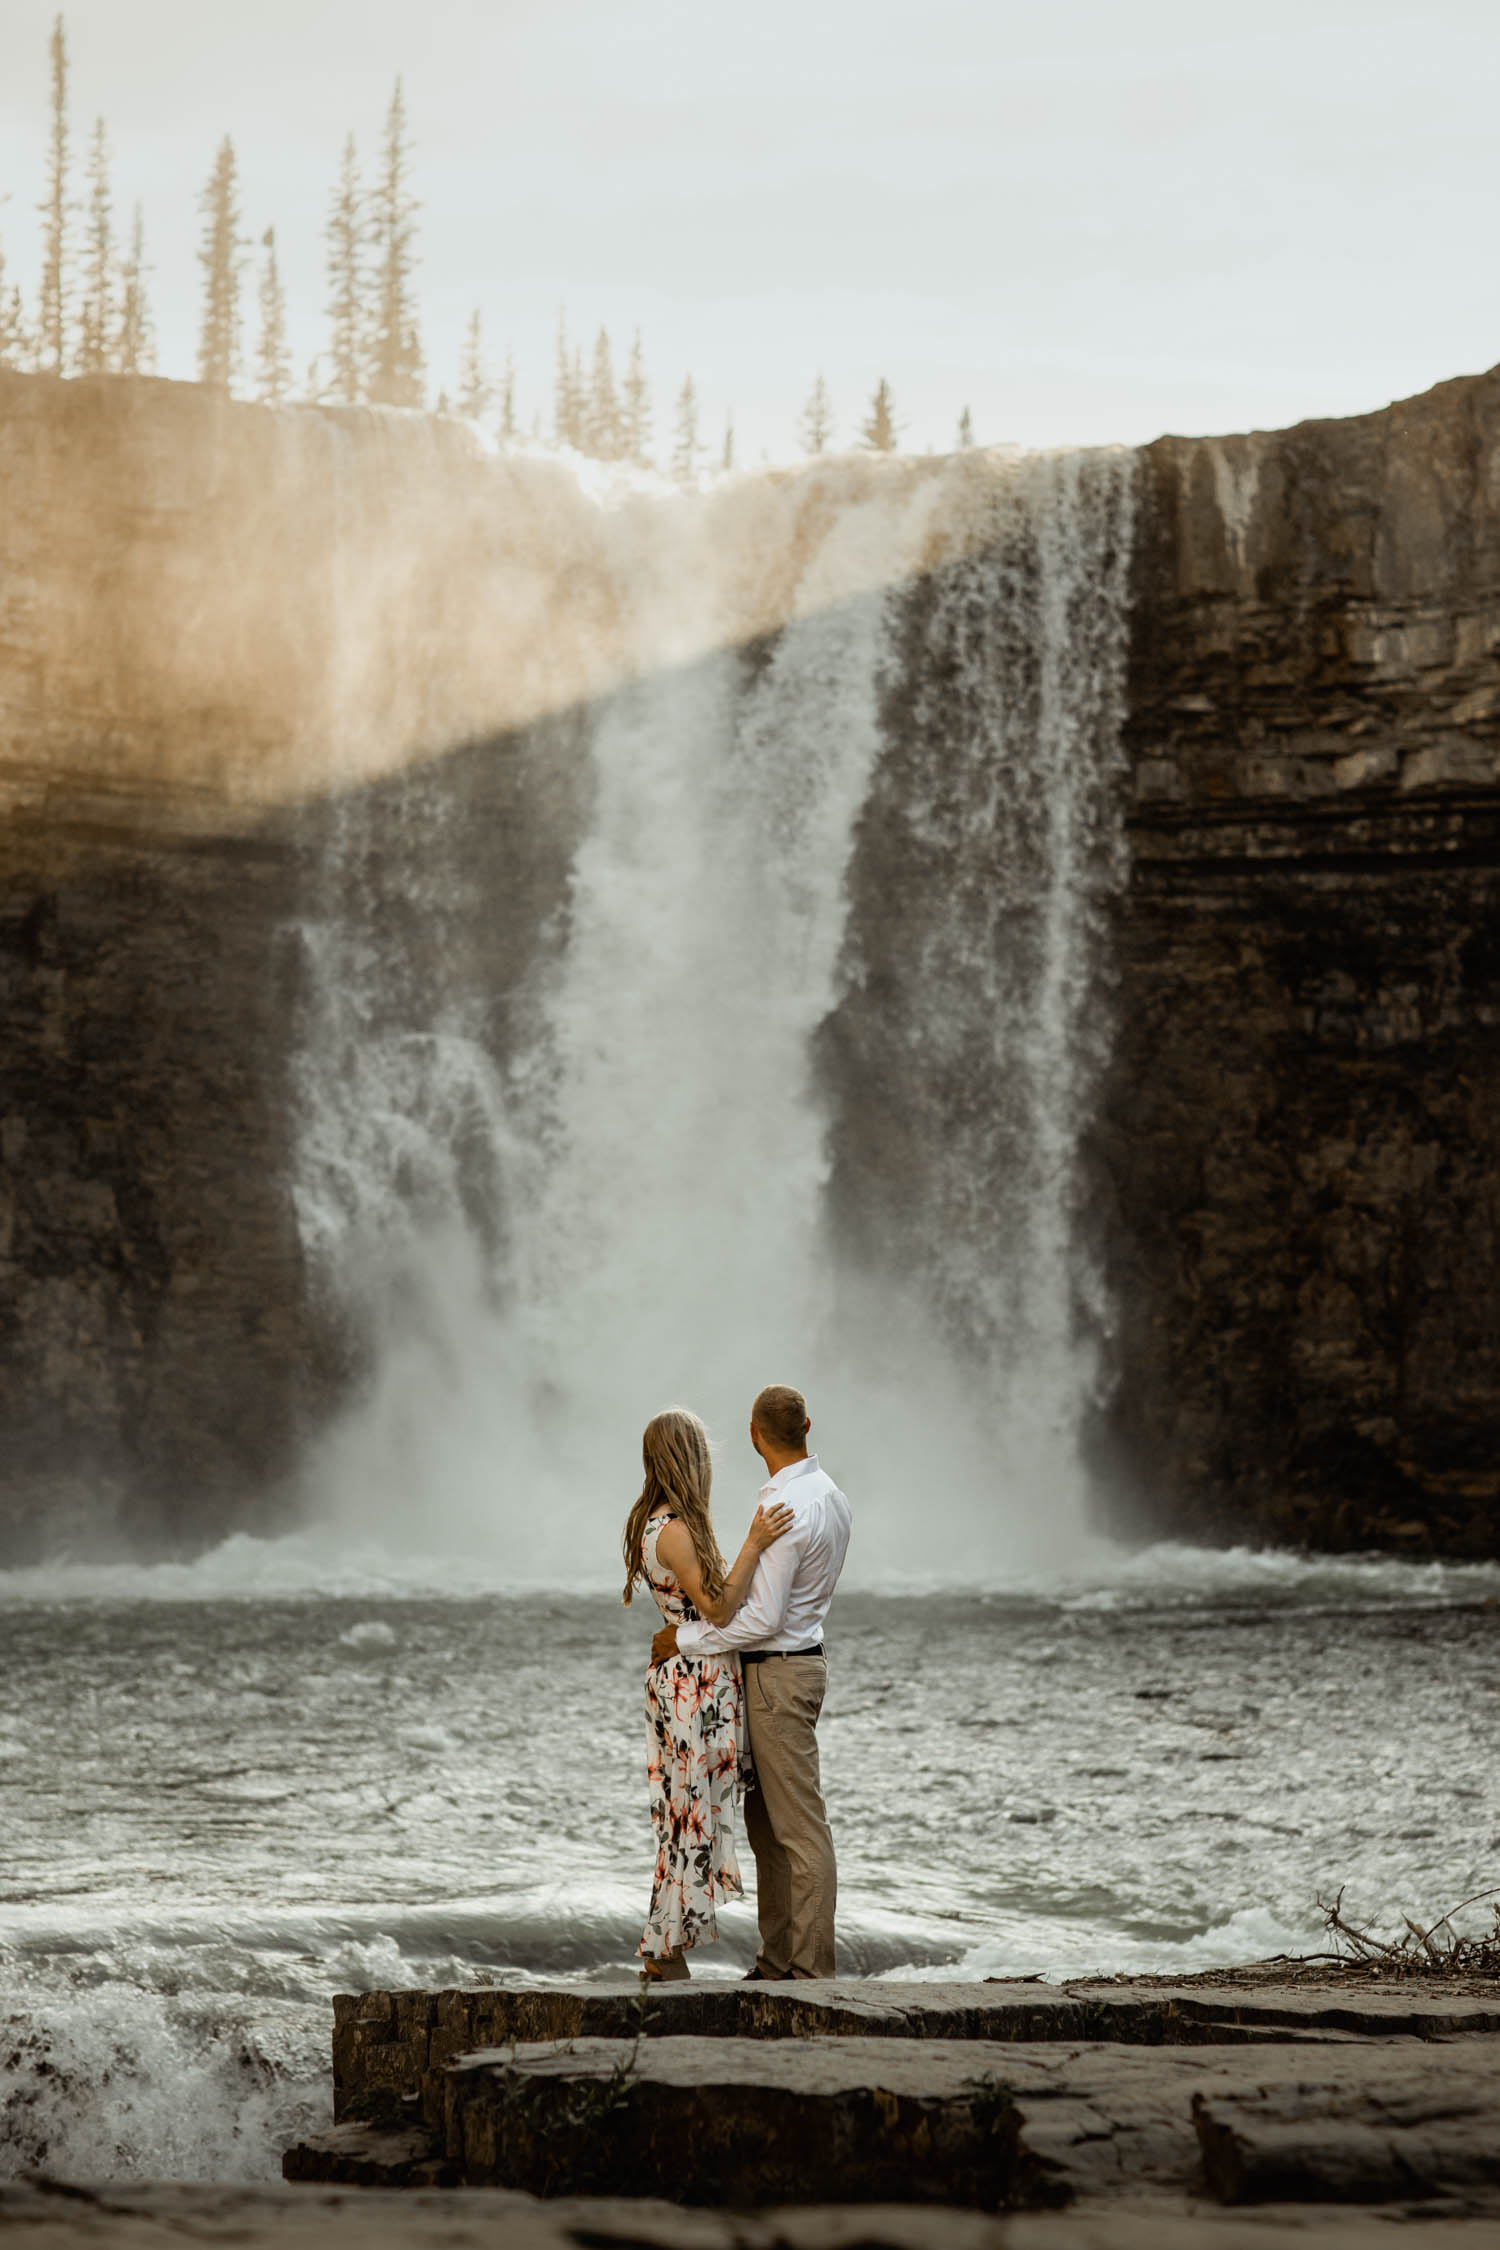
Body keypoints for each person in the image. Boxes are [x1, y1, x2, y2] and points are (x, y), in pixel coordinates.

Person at [650, 1384, 851, 1982]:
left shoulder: (785, 1508)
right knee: (770, 1830)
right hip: (795, 1665)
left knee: (797, 1831)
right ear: (808, 1425)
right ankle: (776, 1962)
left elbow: (760, 1619)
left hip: (777, 1676)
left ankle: (808, 1974)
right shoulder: (832, 1496)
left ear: (754, 1433)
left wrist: (683, 1641)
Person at [622, 1406, 794, 1981]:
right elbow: (719, 1608)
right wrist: (755, 1543)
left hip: (688, 1679)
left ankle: (664, 1947)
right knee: (690, 1818)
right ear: (689, 1459)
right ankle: (662, 1951)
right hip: (694, 1686)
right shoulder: (674, 1529)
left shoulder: (657, 1522)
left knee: (685, 1817)